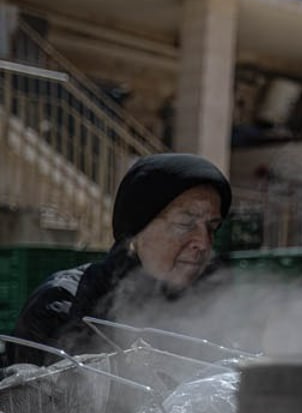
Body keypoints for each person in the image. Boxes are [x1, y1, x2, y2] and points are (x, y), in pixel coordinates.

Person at [2, 153, 232, 367]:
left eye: (213, 227)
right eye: (184, 224)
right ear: (136, 231)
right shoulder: (66, 304)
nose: (203, 243)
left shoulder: (207, 307)